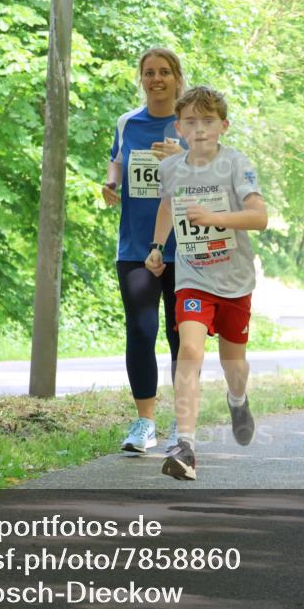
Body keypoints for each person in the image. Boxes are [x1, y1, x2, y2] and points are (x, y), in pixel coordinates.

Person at [146, 86, 268, 481]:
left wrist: (217, 219)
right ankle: (185, 445)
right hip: (193, 277)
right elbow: (168, 204)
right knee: (190, 351)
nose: (199, 129)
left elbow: (259, 216)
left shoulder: (237, 164)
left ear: (223, 126)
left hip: (234, 280)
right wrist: (156, 246)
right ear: (179, 128)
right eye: (191, 122)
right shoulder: (171, 168)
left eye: (208, 121)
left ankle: (237, 398)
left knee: (234, 363)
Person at [102, 48, 186, 454]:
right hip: (135, 245)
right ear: (142, 79)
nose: (156, 79)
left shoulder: (191, 124)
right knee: (139, 330)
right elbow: (116, 161)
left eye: (164, 72)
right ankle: (144, 425)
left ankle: (181, 425)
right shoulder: (127, 122)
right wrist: (110, 184)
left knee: (180, 337)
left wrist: (183, 159)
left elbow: (214, 174)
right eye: (149, 73)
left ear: (177, 79)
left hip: (185, 247)